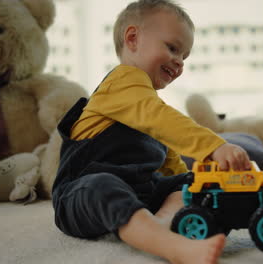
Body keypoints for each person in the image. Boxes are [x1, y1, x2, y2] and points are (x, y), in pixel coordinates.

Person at [51, 1, 251, 263]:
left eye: (184, 57)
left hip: (141, 191)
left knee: (192, 184)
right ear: (133, 39)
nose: (179, 62)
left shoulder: (148, 107)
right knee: (102, 185)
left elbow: (170, 162)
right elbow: (162, 120)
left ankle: (163, 221)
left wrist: (194, 182)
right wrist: (214, 146)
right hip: (81, 195)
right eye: (172, 48)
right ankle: (168, 244)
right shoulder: (122, 83)